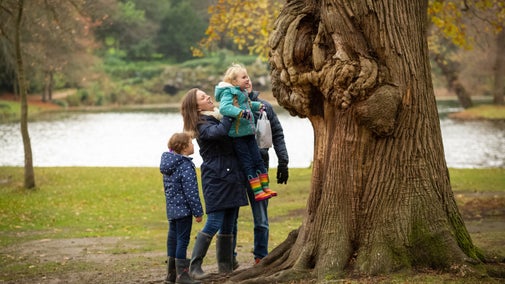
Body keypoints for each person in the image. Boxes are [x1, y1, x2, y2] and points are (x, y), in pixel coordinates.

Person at [180, 88, 249, 280]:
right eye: (203, 97)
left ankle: (225, 268)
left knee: (230, 222)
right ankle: (194, 267)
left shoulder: (215, 116)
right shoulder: (201, 124)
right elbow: (218, 133)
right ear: (196, 107)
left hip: (232, 175)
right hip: (217, 178)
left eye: (205, 94)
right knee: (215, 222)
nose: (208, 97)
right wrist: (229, 112)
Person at [232, 80, 290, 265]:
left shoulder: (264, 107)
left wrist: (283, 162)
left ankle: (260, 258)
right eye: (241, 78)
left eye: (247, 77)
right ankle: (229, 259)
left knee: (261, 219)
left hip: (259, 170)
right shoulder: (229, 109)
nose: (247, 81)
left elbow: (278, 134)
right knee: (231, 219)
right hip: (235, 171)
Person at [214, 63, 277, 202]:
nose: (247, 79)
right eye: (244, 77)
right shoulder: (228, 92)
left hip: (249, 133)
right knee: (248, 162)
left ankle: (265, 187)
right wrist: (241, 113)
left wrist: (258, 105)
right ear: (234, 81)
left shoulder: (242, 92)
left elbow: (248, 105)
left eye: (247, 76)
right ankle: (257, 191)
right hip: (237, 136)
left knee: (258, 160)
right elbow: (224, 108)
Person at [160, 132, 204, 284]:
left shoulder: (168, 165)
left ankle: (171, 275)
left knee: (173, 239)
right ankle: (182, 276)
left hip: (172, 210)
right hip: (184, 210)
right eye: (191, 143)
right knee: (182, 240)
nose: (194, 145)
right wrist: (198, 212)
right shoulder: (185, 165)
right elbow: (191, 192)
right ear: (184, 148)